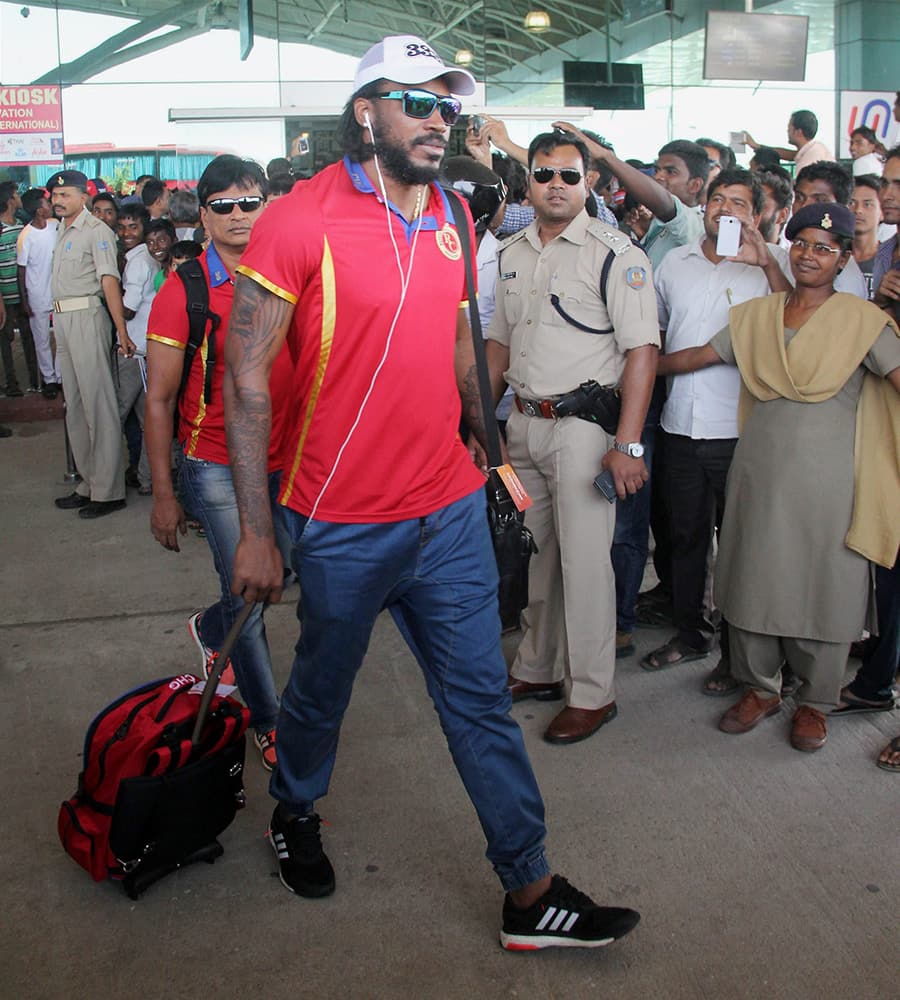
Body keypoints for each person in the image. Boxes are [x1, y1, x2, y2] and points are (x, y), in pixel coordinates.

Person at [222, 34, 641, 951]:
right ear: (366, 110)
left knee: (479, 701)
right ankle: (294, 810)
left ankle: (530, 892)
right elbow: (245, 379)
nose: (437, 120)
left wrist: (489, 462)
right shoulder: (297, 221)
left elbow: (459, 348)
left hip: (446, 509)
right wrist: (258, 530)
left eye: (447, 106)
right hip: (338, 522)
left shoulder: (452, 210)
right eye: (417, 102)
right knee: (321, 694)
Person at [658, 202, 900, 753]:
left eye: (824, 248)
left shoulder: (862, 323)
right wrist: (632, 361)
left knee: (825, 583)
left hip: (832, 480)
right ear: (787, 249)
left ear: (842, 260)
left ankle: (816, 703)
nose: (810, 255)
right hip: (758, 473)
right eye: (802, 244)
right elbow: (697, 355)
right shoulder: (758, 316)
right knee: (752, 575)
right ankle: (760, 688)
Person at [484, 130, 659, 739]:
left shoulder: (617, 253)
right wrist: (487, 425)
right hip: (525, 426)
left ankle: (592, 691)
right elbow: (498, 344)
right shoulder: (512, 253)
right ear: (526, 182)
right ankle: (537, 666)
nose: (555, 185)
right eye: (543, 174)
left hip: (585, 431)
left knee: (587, 566)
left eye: (568, 175)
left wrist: (628, 444)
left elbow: (642, 352)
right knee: (537, 556)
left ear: (589, 183)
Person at [145, 154, 287, 772]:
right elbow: (157, 398)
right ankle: (268, 719)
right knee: (251, 595)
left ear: (266, 206)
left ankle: (212, 626)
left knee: (286, 574)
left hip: (288, 459)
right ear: (203, 216)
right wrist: (163, 494)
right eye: (223, 206)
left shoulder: (289, 277)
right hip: (216, 465)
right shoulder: (186, 290)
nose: (238, 216)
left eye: (249, 202)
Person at [641, 169, 791, 697]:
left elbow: (795, 327)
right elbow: (653, 333)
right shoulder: (674, 265)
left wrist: (766, 262)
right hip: (680, 426)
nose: (725, 209)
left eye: (739, 203)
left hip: (740, 432)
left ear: (756, 214)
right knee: (684, 540)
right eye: (718, 199)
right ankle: (690, 634)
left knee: (740, 547)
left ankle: (738, 656)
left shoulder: (770, 265)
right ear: (703, 205)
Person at [49, 170, 128, 519]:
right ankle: (88, 482)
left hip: (87, 317)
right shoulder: (61, 230)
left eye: (65, 194)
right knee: (77, 408)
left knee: (99, 403)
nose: (57, 200)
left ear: (84, 197)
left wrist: (120, 330)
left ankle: (109, 490)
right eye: (55, 194)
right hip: (63, 321)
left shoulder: (97, 232)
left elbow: (108, 281)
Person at [116, 203, 159, 495]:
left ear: (145, 226)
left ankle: (108, 478)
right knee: (148, 420)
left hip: (132, 350)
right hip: (146, 348)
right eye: (122, 227)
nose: (126, 233)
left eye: (133, 227)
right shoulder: (145, 257)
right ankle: (146, 478)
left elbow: (128, 310)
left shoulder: (139, 261)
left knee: (113, 414)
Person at [16, 187, 60, 397]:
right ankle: (49, 379)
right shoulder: (26, 236)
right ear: (38, 211)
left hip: (58, 292)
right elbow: (21, 270)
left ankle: (60, 376)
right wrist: (24, 300)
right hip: (36, 295)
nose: (51, 205)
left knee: (62, 337)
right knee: (41, 339)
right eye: (47, 203)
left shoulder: (55, 226)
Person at [743, 110, 835, 173]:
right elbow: (788, 154)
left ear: (798, 132)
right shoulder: (812, 149)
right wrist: (756, 145)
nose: (787, 131)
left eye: (789, 128)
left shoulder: (810, 158)